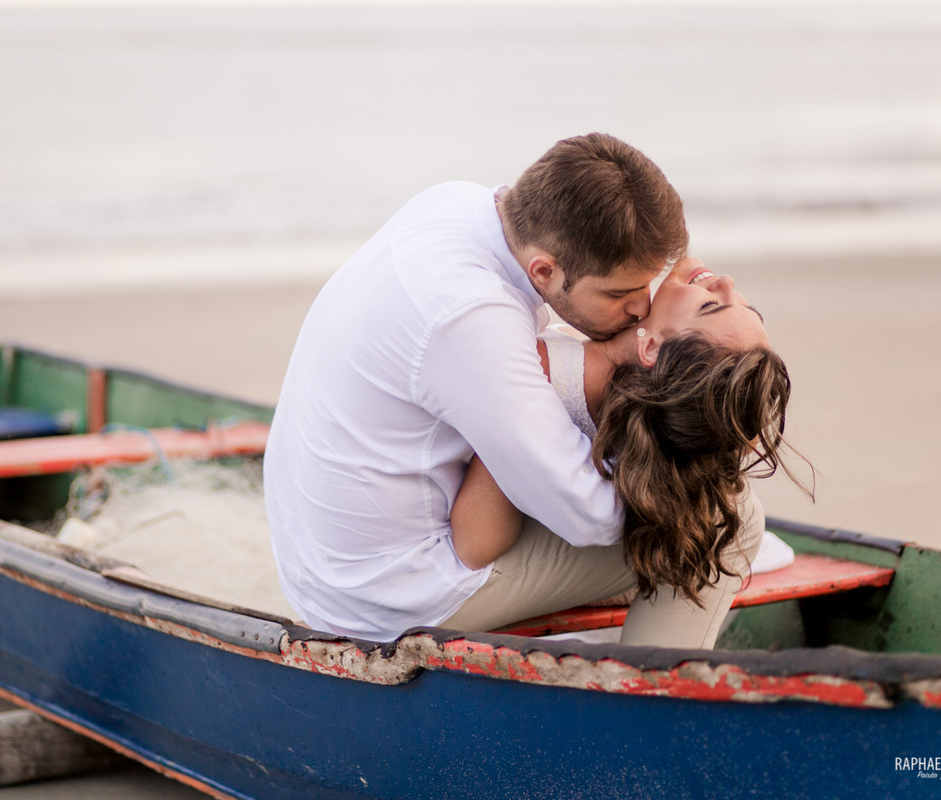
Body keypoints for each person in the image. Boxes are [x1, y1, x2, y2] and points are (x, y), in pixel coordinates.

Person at [265, 133, 693, 642]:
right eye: (619, 293)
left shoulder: (457, 202)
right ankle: (645, 705)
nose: (642, 308)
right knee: (727, 529)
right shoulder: (471, 316)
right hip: (392, 598)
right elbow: (591, 517)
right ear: (544, 270)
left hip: (320, 563)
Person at [445, 257, 809, 647]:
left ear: (651, 346)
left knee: (724, 514)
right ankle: (660, 677)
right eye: (741, 306)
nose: (727, 282)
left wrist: (505, 442)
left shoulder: (546, 376)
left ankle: (651, 686)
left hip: (444, 588)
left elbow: (474, 546)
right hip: (439, 582)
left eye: (712, 305)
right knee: (730, 515)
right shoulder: (612, 391)